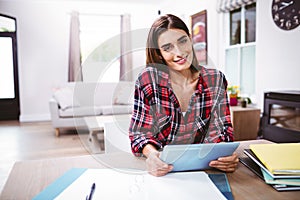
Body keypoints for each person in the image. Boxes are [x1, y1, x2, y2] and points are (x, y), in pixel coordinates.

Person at [128, 14, 238, 177]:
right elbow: (140, 134)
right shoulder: (149, 79)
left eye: (182, 41)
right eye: (167, 47)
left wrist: (224, 156)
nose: (179, 52)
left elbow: (223, 130)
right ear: (159, 54)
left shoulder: (215, 80)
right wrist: (151, 155)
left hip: (205, 170)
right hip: (163, 172)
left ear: (191, 39)